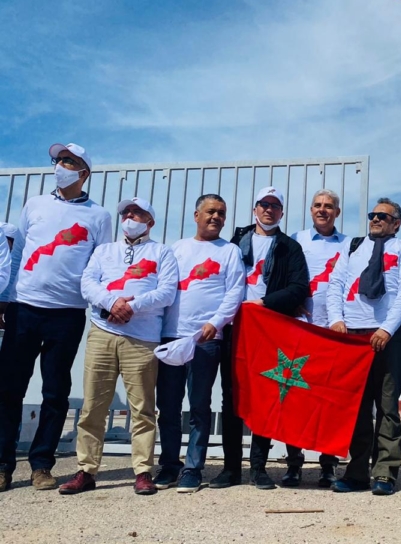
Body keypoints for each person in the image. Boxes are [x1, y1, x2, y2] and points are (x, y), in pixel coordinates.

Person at [0, 143, 112, 493]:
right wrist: (5, 299)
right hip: (24, 308)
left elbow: (101, 265)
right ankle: (2, 465)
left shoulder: (99, 216)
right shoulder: (35, 204)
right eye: (58, 159)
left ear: (83, 172)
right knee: (8, 388)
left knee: (55, 390)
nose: (59, 165)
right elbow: (18, 254)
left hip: (67, 314)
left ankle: (41, 464)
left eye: (68, 161)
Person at [59, 197, 178, 495]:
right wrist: (112, 302)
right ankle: (86, 470)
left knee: (143, 409)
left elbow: (166, 292)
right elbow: (88, 283)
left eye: (137, 212)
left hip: (142, 339)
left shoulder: (162, 252)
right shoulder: (104, 250)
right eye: (126, 212)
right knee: (93, 406)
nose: (130, 216)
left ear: (150, 221)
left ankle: (143, 471)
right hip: (102, 333)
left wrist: (131, 306)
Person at [210, 187, 309, 491]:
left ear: (281, 213)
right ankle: (230, 468)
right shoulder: (235, 243)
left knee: (265, 397)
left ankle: (258, 468)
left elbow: (299, 287)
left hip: (268, 329)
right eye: (264, 204)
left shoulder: (289, 247)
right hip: (235, 327)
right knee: (232, 396)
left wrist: (264, 303)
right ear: (255, 209)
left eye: (275, 206)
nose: (269, 209)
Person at [153, 194, 245, 493]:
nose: (216, 217)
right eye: (210, 211)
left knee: (199, 407)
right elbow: (162, 287)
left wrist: (214, 323)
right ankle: (169, 465)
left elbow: (234, 293)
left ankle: (193, 468)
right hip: (172, 336)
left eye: (221, 213)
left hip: (206, 340)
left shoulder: (229, 251)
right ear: (196, 215)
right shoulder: (176, 249)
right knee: (168, 406)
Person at [326, 198, 401, 495]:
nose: (376, 219)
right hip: (353, 335)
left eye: (383, 216)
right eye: (373, 215)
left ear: (396, 223)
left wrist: (387, 328)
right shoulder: (352, 247)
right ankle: (356, 473)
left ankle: (385, 473)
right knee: (357, 407)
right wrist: (336, 319)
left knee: (387, 406)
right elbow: (336, 285)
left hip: (388, 336)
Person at [285, 189, 347, 487]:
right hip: (301, 329)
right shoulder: (296, 240)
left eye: (329, 206)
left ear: (337, 212)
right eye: (318, 205)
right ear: (310, 210)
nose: (323, 210)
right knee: (295, 399)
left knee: (330, 402)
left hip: (333, 332)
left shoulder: (349, 245)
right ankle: (293, 463)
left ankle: (328, 465)